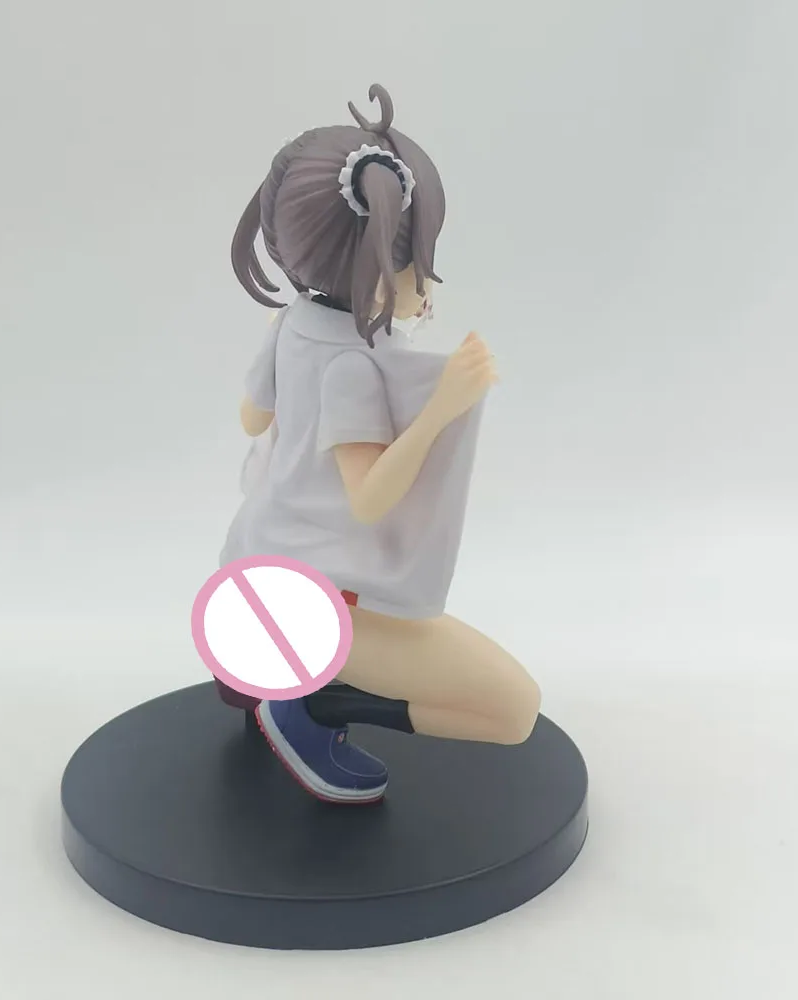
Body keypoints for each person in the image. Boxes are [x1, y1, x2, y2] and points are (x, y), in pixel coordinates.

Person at [218, 84, 541, 804]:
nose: (427, 281)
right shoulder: (354, 367)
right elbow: (369, 499)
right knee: (513, 710)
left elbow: (250, 420)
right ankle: (311, 704)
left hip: (256, 560)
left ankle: (294, 683)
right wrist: (442, 408)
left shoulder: (291, 323)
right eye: (416, 261)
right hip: (315, 598)